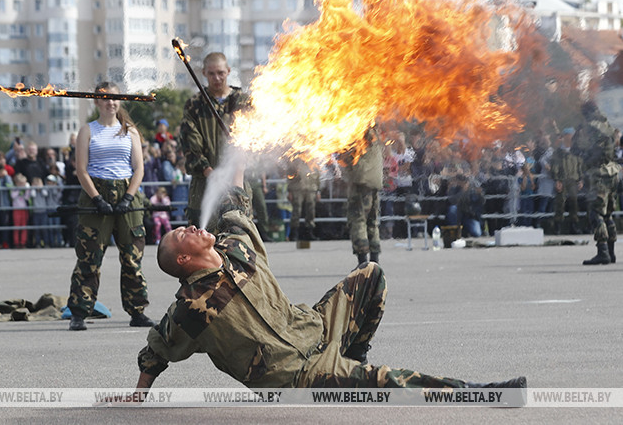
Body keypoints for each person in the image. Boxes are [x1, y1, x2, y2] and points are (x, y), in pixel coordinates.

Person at [126, 160, 525, 394]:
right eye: (183, 234)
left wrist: (236, 165)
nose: (191, 227)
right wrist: (138, 396)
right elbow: (158, 347)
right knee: (390, 382)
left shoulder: (236, 247)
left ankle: (350, 361)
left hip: (314, 328)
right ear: (183, 258)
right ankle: (474, 393)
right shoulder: (191, 309)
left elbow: (236, 207)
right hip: (295, 374)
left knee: (370, 275)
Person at [67, 81, 154, 331]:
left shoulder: (131, 131)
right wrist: (97, 199)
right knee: (89, 258)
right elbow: (81, 170)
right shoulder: (88, 130)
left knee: (132, 258)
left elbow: (139, 169)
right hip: (97, 192)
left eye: (115, 98)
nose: (110, 102)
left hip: (127, 193)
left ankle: (137, 311)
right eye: (104, 98)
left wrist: (128, 197)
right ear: (96, 102)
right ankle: (80, 312)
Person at [179, 52, 249, 227]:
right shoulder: (195, 104)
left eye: (221, 73)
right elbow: (190, 145)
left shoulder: (242, 101)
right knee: (201, 240)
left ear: (228, 71)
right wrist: (209, 172)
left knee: (237, 234)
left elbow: (251, 142)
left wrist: (236, 173)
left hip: (237, 180)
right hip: (204, 183)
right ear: (203, 73)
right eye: (211, 74)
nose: (216, 78)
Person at [574, 101, 620, 265]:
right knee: (607, 213)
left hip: (597, 174)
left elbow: (577, 148)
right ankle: (611, 252)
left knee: (595, 213)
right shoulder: (607, 124)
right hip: (611, 172)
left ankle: (603, 252)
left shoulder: (589, 127)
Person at [342, 126, 383, 265]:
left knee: (358, 220)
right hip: (374, 183)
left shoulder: (360, 134)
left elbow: (350, 157)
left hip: (361, 183)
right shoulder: (376, 137)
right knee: (372, 221)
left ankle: (362, 261)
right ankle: (374, 260)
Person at [549, 128, 583, 235]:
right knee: (560, 204)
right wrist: (556, 180)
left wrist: (580, 179)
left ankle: (574, 226)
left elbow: (579, 167)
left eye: (571, 135)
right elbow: (554, 167)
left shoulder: (576, 152)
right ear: (563, 137)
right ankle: (557, 226)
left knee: (574, 203)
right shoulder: (558, 152)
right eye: (568, 135)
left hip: (573, 180)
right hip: (562, 180)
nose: (570, 138)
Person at [286, 157, 321, 242]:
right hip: (297, 188)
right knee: (296, 211)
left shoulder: (314, 158)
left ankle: (309, 232)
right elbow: (289, 175)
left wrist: (318, 190)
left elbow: (317, 176)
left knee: (311, 211)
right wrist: (289, 190)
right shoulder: (295, 160)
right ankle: (294, 233)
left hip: (311, 188)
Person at [10, 172, 31, 248]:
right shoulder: (14, 189)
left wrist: (26, 190)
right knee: (17, 227)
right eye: (21, 183)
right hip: (16, 209)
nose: (22, 185)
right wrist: (19, 190)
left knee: (24, 227)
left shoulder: (25, 189)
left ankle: (23, 242)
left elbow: (26, 198)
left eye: (24, 183)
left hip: (24, 209)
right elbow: (13, 196)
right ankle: (16, 242)